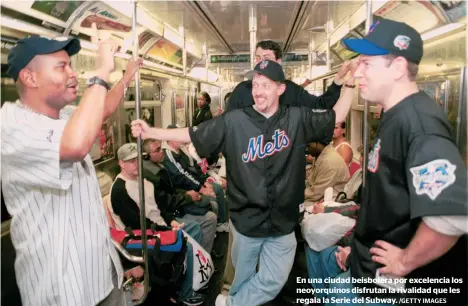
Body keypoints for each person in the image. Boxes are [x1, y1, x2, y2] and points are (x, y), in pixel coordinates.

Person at [131, 59, 356, 306]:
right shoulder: (235, 121)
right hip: (247, 222)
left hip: (282, 222)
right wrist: (152, 132)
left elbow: (337, 116)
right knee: (242, 280)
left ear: (281, 89)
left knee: (273, 280)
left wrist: (349, 84)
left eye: (266, 85)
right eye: (255, 84)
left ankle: (230, 304)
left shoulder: (296, 118)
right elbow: (191, 133)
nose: (258, 91)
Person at [325, 17, 467, 305]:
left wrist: (404, 262)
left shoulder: (420, 125)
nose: (357, 73)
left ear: (399, 68)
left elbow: (451, 216)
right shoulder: (394, 115)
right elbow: (392, 206)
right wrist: (359, 250)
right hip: (369, 269)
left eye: (367, 63)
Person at [1, 24, 143, 305]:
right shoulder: (11, 126)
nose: (73, 74)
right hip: (63, 290)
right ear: (29, 77)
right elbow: (75, 146)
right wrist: (102, 70)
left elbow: (102, 108)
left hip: (101, 276)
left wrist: (127, 75)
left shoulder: (61, 115)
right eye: (61, 67)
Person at [109, 143, 206, 306]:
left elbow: (159, 207)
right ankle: (184, 294)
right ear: (121, 163)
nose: (136, 163)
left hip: (160, 225)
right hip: (141, 235)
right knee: (186, 246)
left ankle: (191, 277)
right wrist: (167, 229)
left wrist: (171, 221)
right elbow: (136, 223)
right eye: (130, 161)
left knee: (195, 229)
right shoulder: (120, 189)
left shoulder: (144, 180)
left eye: (137, 159)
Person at [225, 40, 353, 112]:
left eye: (266, 58)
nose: (261, 62)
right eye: (258, 58)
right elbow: (227, 123)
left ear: (279, 61)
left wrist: (338, 81)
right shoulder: (242, 90)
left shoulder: (292, 91)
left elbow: (321, 104)